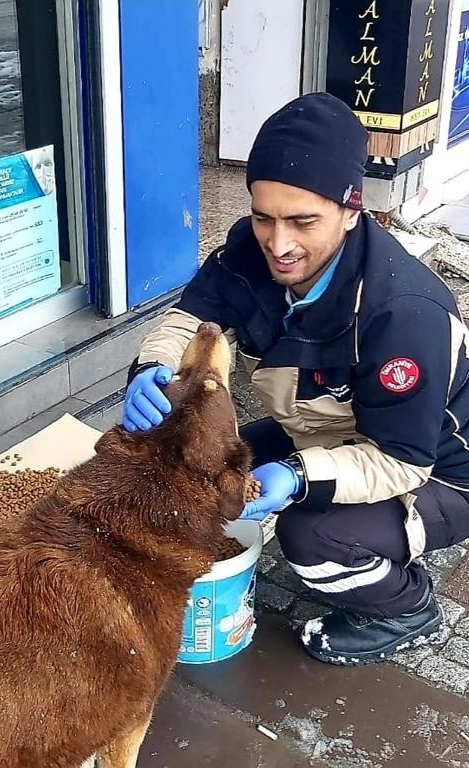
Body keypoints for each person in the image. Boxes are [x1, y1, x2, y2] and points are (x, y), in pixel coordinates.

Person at [121, 92, 469, 666]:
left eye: (303, 221)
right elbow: (194, 317)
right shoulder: (249, 249)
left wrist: (298, 476)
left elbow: (403, 459)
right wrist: (151, 368)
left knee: (310, 535)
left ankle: (405, 608)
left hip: (441, 468)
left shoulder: (402, 314)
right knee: (200, 466)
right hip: (332, 431)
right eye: (264, 216)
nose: (279, 245)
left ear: (352, 211)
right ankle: (368, 531)